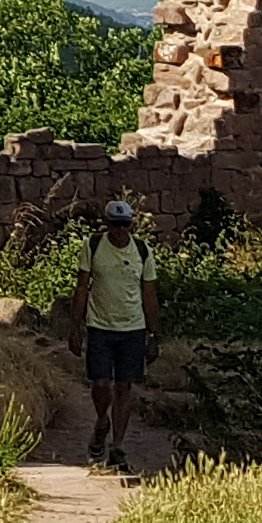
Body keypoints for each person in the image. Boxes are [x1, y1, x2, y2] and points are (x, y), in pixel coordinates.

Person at [69, 197, 160, 473]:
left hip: (133, 328)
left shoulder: (142, 251)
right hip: (100, 326)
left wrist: (154, 334)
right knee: (100, 384)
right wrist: (75, 327)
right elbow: (82, 287)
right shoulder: (93, 246)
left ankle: (117, 445)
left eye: (125, 225)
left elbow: (149, 293)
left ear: (131, 225)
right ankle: (101, 420)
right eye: (115, 225)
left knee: (124, 386)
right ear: (107, 224)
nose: (120, 231)